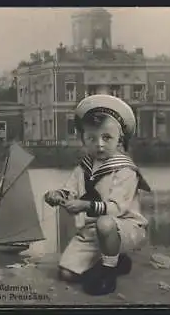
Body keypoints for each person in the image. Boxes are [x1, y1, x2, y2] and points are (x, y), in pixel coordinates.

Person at [44, 94, 151, 296]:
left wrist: (84, 206)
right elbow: (71, 190)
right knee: (66, 273)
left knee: (105, 222)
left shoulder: (125, 170)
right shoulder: (84, 168)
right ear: (83, 139)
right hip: (92, 231)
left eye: (106, 137)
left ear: (120, 139)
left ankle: (108, 273)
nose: (99, 144)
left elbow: (116, 208)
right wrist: (56, 195)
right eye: (92, 138)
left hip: (125, 228)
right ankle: (114, 262)